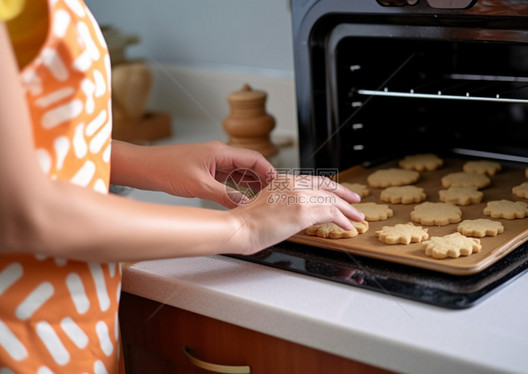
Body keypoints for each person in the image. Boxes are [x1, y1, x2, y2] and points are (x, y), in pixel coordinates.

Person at [0, 0, 364, 372]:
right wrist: (245, 226)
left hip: (72, 329)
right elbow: (22, 213)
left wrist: (149, 164)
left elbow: (32, 151)